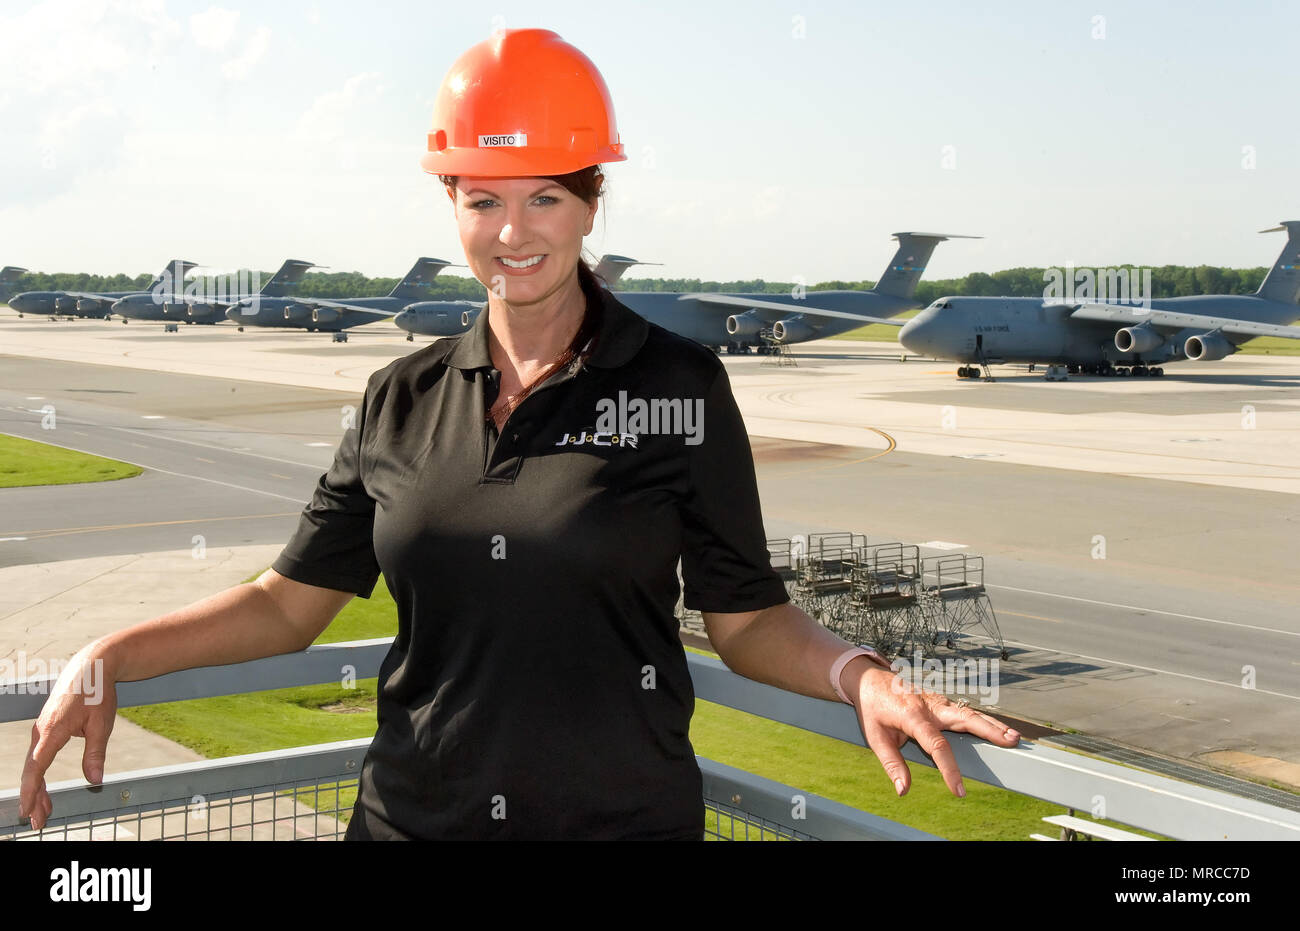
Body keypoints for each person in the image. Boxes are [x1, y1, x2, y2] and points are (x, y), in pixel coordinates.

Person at [19, 28, 1020, 840]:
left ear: (592, 204)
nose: (513, 233)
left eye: (546, 196)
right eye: (483, 200)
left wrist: (864, 674)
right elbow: (284, 608)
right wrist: (111, 651)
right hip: (407, 824)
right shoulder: (396, 396)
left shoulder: (678, 384)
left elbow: (747, 619)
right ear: (449, 206)